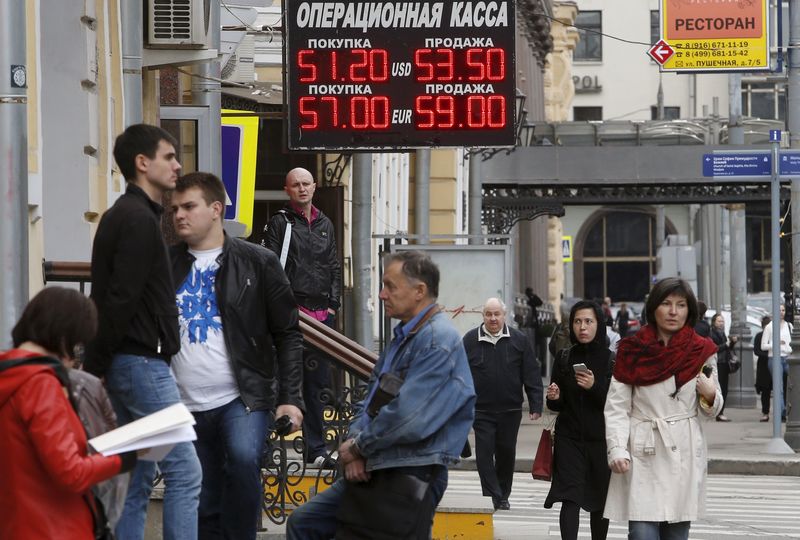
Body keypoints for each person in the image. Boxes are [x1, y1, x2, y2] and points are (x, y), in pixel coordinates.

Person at [286, 250, 476, 540]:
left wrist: (360, 448)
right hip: (378, 461)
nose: (382, 294)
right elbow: (369, 399)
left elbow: (410, 416)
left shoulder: (438, 340)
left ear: (419, 291)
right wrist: (355, 447)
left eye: (390, 286)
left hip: (411, 469)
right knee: (304, 523)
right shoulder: (405, 336)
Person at [169, 172, 306, 539]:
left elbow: (288, 333)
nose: (180, 215)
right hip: (182, 401)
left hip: (241, 396)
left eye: (189, 206)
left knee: (244, 463)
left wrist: (290, 399)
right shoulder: (165, 265)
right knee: (201, 492)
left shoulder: (257, 261)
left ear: (216, 208)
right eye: (175, 209)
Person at [84, 123, 202, 540]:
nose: (177, 165)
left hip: (131, 362)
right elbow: (120, 298)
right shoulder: (136, 219)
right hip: (139, 365)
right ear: (142, 163)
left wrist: (98, 364)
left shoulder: (132, 214)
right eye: (168, 157)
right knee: (186, 471)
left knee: (136, 475)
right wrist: (96, 365)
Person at [0, 287, 137, 539]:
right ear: (62, 335)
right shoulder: (39, 384)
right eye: (76, 344)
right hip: (55, 528)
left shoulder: (11, 376)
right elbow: (70, 472)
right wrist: (124, 458)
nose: (74, 357)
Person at [604, 277, 722, 540]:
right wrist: (617, 448)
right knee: (642, 532)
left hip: (684, 449)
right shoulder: (632, 350)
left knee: (677, 534)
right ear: (654, 308)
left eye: (681, 305)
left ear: (689, 310)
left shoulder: (702, 350)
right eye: (666, 304)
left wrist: (711, 395)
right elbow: (616, 406)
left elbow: (710, 409)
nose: (673, 312)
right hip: (644, 448)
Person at [261, 167, 341, 467]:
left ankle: (316, 449)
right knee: (278, 379)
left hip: (321, 317)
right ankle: (267, 448)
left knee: (317, 385)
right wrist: (279, 308)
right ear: (287, 189)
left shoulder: (325, 224)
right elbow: (270, 267)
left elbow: (333, 265)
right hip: (290, 316)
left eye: (306, 184)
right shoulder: (280, 223)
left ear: (315, 187)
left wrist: (333, 306)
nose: (302, 189)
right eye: (296, 185)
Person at [463, 297, 543, 510]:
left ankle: (503, 493)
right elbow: (460, 374)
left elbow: (531, 373)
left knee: (506, 453)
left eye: (497, 314)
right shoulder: (470, 340)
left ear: (504, 315)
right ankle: (494, 494)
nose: (493, 318)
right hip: (481, 410)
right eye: (488, 314)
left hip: (510, 409)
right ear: (483, 316)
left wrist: (536, 404)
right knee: (483, 455)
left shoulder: (519, 339)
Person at [544, 300, 614, 540]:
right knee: (570, 498)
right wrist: (554, 397)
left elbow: (616, 405)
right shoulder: (564, 358)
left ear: (598, 325)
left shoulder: (610, 360)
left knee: (599, 502)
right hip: (569, 440)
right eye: (577, 321)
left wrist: (594, 387)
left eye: (588, 321)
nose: (582, 327)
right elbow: (557, 406)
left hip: (600, 442)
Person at [760, 304, 791, 421]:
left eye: (783, 310)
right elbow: (763, 346)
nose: (782, 312)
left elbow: (792, 345)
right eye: (779, 310)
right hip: (774, 358)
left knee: (793, 385)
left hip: (787, 358)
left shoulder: (789, 326)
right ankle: (782, 411)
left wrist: (786, 347)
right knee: (779, 388)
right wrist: (776, 344)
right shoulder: (769, 327)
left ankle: (789, 410)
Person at [710, 313, 737, 422]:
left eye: (722, 321)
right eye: (719, 321)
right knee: (720, 388)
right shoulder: (712, 334)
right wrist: (726, 344)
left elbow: (727, 348)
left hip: (724, 362)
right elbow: (715, 348)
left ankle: (721, 411)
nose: (721, 323)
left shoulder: (722, 334)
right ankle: (719, 412)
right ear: (714, 322)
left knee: (724, 388)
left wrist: (732, 343)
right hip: (718, 363)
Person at [753, 315, 772, 422]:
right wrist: (768, 353)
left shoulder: (774, 335)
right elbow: (756, 350)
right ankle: (765, 412)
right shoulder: (759, 336)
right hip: (764, 366)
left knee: (779, 389)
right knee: (765, 390)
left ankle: (782, 413)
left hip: (773, 363)